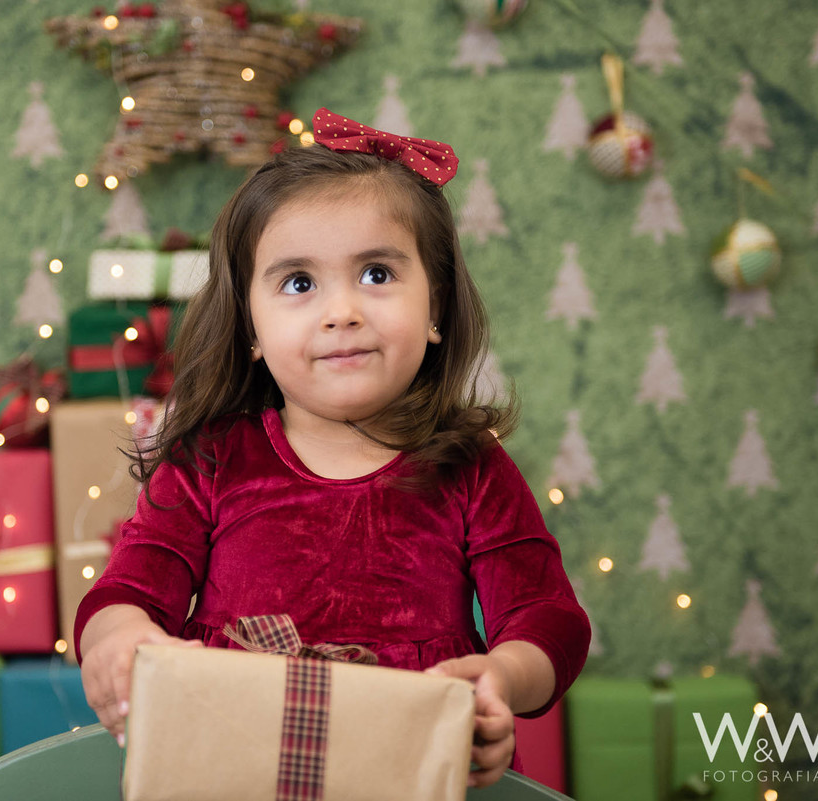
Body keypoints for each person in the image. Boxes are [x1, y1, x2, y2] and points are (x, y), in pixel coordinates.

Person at [75, 108, 591, 788]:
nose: (341, 310)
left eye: (376, 273)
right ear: (251, 327)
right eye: (299, 283)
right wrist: (115, 638)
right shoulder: (211, 459)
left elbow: (547, 618)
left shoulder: (470, 467)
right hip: (234, 759)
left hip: (412, 762)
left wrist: (500, 678)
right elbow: (128, 589)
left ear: (435, 306)